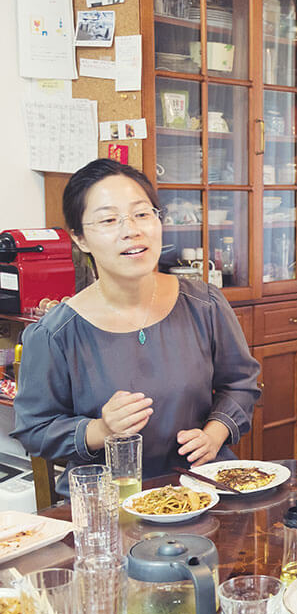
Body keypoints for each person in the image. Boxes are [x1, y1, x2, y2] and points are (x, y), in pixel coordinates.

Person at [12, 159, 260, 495]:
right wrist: (100, 429)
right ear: (80, 239)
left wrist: (214, 434)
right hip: (106, 501)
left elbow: (241, 384)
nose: (131, 229)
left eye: (142, 214)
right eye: (109, 220)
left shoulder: (205, 304)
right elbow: (35, 429)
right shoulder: (55, 334)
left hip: (199, 486)